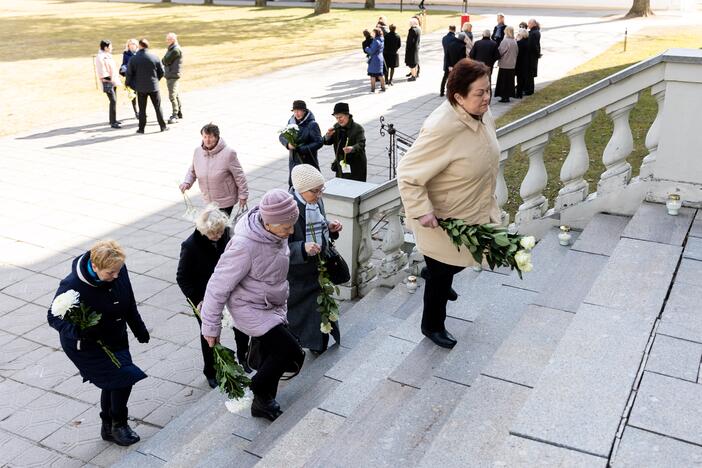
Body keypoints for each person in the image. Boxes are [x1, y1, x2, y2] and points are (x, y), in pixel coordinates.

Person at [397, 59, 500, 349]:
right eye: (480, 93)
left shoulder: (481, 112)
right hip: (445, 219)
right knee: (442, 275)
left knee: (468, 258)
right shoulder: (443, 128)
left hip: (473, 207)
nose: (487, 98)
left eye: (488, 90)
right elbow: (407, 173)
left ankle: (434, 269)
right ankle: (432, 325)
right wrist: (421, 210)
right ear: (458, 97)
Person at [201, 189, 306, 422]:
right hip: (249, 308)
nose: (291, 231)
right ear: (268, 223)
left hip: (273, 302)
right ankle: (257, 387)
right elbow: (217, 287)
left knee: (274, 353)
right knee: (290, 351)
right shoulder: (243, 246)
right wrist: (210, 327)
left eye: (292, 225)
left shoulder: (278, 232)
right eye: (286, 227)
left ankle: (263, 403)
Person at [47, 240, 150, 445]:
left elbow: (128, 301)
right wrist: (79, 331)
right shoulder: (72, 285)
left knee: (114, 382)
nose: (116, 276)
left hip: (115, 338)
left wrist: (139, 328)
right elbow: (53, 317)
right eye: (110, 273)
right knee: (124, 378)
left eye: (118, 271)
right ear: (95, 266)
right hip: (86, 346)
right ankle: (119, 425)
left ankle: (109, 427)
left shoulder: (117, 267)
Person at [176, 205, 252, 389]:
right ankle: (210, 370)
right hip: (204, 297)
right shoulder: (190, 246)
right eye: (213, 234)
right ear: (204, 230)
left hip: (229, 290)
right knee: (209, 334)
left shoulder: (226, 233)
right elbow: (182, 277)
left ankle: (244, 356)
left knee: (240, 326)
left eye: (219, 232)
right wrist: (198, 300)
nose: (218, 236)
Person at [287, 165, 343, 354]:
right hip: (299, 273)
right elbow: (277, 246)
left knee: (319, 308)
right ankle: (307, 345)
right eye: (315, 191)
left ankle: (318, 344)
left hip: (319, 267)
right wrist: (301, 248)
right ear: (301, 189)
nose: (319, 195)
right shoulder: (287, 209)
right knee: (306, 312)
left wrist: (330, 227)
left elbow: (320, 223)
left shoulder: (315, 201)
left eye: (322, 190)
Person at [180, 123, 249, 216]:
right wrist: (187, 182)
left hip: (225, 200)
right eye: (205, 137)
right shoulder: (197, 152)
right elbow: (192, 171)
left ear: (217, 137)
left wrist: (243, 195)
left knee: (213, 227)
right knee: (216, 228)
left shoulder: (229, 153)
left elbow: (239, 176)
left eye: (210, 137)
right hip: (208, 199)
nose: (207, 140)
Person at [126, 38, 167, 134]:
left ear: (140, 46)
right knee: (158, 107)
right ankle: (162, 126)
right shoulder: (154, 57)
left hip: (140, 88)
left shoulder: (134, 59)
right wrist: (156, 80)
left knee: (142, 109)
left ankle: (141, 128)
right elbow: (162, 72)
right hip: (154, 86)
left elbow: (129, 73)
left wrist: (129, 84)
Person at [279, 100, 323, 186]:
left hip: (306, 161)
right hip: (293, 161)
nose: (297, 113)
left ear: (304, 111)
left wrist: (302, 149)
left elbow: (319, 142)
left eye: (299, 111)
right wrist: (288, 144)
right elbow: (282, 136)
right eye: (295, 111)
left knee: (308, 186)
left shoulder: (312, 125)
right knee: (294, 185)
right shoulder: (291, 122)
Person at [323, 102, 367, 182]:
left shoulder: (357, 128)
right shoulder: (336, 126)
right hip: (341, 164)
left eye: (340, 117)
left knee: (355, 188)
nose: (339, 120)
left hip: (355, 165)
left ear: (347, 115)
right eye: (336, 118)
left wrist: (352, 148)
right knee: (342, 186)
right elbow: (326, 142)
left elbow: (361, 144)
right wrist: (328, 135)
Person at [94, 40, 121, 129]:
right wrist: (108, 79)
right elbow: (102, 70)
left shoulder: (108, 56)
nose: (112, 48)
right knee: (113, 100)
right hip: (107, 82)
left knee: (114, 100)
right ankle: (113, 122)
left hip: (113, 81)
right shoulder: (100, 57)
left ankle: (113, 119)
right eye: (110, 46)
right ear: (105, 48)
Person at [162, 32, 183, 124]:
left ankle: (175, 114)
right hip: (171, 74)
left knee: (172, 95)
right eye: (167, 39)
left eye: (169, 39)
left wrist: (164, 60)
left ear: (173, 39)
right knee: (176, 94)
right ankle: (179, 112)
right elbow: (165, 60)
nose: (167, 41)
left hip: (172, 74)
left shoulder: (175, 50)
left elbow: (165, 60)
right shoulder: (172, 48)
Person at [495, 26, 518, 102]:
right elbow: (517, 52)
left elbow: (500, 52)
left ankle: (503, 96)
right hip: (512, 64)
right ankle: (508, 96)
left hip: (505, 64)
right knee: (509, 81)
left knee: (503, 81)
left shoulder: (505, 41)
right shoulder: (514, 41)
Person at [120, 39, 139, 120]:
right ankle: (136, 112)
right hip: (131, 78)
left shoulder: (139, 53)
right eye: (130, 44)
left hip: (139, 77)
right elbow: (124, 64)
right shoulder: (126, 54)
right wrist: (123, 68)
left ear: (136, 45)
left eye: (133, 44)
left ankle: (142, 111)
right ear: (128, 45)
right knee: (133, 96)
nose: (132, 45)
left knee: (141, 95)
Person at [365, 28, 386, 93]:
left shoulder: (376, 41)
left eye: (373, 33)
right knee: (380, 74)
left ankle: (373, 89)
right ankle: (383, 88)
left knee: (372, 75)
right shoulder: (382, 39)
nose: (372, 34)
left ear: (376, 33)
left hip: (374, 59)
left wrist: (367, 48)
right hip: (380, 58)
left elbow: (371, 51)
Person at [525, 19, 542, 96]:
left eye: (529, 23)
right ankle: (529, 89)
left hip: (531, 57)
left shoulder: (532, 33)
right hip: (533, 56)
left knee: (530, 74)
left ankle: (529, 90)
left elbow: (533, 45)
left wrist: (537, 53)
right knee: (531, 74)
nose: (528, 25)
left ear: (533, 24)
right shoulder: (536, 32)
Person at [440, 26, 457, 97]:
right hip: (452, 59)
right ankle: (449, 91)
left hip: (446, 59)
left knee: (445, 76)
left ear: (449, 29)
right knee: (453, 77)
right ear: (455, 30)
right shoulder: (455, 39)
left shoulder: (444, 38)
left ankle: (441, 91)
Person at [405, 17, 421, 82]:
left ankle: (413, 76)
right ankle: (415, 74)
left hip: (411, 48)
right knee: (415, 61)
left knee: (411, 62)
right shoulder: (418, 29)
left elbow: (410, 41)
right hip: (416, 47)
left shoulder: (412, 30)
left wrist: (408, 47)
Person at [515, 29, 530, 99]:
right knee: (523, 79)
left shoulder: (520, 43)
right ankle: (521, 92)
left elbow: (517, 53)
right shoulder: (528, 41)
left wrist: (517, 40)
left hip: (520, 63)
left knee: (519, 79)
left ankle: (519, 94)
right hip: (527, 62)